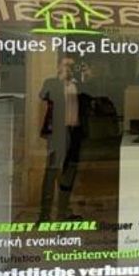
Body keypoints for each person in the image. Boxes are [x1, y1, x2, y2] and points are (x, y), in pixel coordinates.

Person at [38, 55, 91, 221]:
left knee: (69, 173)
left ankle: (63, 212)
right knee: (52, 171)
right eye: (65, 65)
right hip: (57, 134)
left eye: (72, 66)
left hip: (74, 133)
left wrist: (87, 77)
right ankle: (44, 215)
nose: (69, 68)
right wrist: (61, 79)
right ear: (58, 67)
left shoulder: (79, 84)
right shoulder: (51, 83)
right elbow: (43, 95)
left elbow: (90, 98)